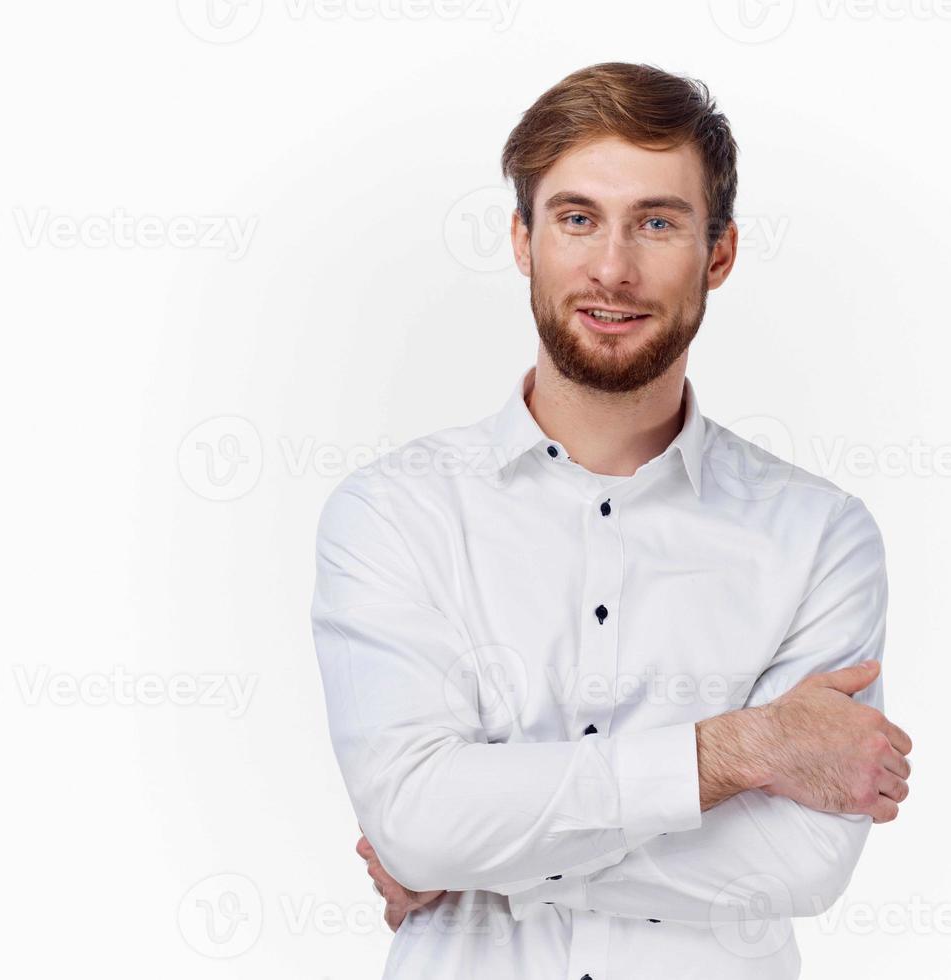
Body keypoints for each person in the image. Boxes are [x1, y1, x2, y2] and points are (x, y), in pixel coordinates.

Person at [311, 61, 913, 980]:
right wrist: (738, 752)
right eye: (577, 217)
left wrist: (478, 855)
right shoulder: (394, 515)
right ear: (523, 239)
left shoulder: (819, 537)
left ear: (719, 253)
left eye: (658, 222)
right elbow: (418, 823)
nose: (612, 268)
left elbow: (799, 864)